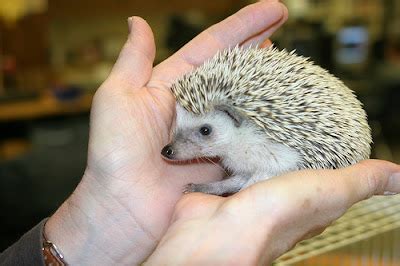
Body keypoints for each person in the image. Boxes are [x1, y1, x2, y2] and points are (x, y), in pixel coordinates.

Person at [1, 0, 400, 265]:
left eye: (205, 132)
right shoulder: (229, 141)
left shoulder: (270, 148)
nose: (175, 150)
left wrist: (218, 187)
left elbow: (247, 178)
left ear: (243, 121)